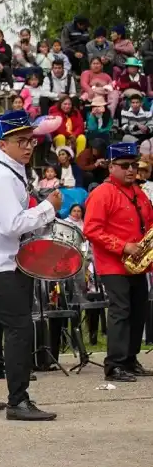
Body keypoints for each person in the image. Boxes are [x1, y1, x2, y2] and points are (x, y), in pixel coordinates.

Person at [0, 111, 62, 422]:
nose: (29, 146)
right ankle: (18, 401)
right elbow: (11, 225)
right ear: (3, 144)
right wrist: (48, 208)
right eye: (21, 141)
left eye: (31, 140)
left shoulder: (3, 170)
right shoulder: (2, 176)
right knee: (18, 327)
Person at [83, 142, 153, 382]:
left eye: (134, 165)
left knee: (138, 310)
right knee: (121, 311)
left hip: (138, 263)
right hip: (113, 264)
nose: (131, 170)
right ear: (111, 167)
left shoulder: (138, 192)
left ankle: (130, 360)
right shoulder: (102, 193)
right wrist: (123, 246)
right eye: (124, 166)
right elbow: (91, 229)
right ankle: (114, 364)